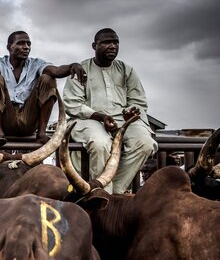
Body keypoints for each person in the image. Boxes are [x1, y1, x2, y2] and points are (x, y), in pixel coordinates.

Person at [63, 28, 157, 194]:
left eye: (115, 42)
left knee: (145, 144)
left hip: (121, 119)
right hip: (87, 120)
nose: (112, 46)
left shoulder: (127, 70)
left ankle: (111, 191)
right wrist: (102, 116)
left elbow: (139, 101)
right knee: (101, 144)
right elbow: (73, 104)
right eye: (107, 42)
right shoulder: (81, 69)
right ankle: (101, 194)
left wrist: (130, 112)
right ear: (94, 45)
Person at [0, 30, 87, 148]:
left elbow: (56, 70)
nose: (26, 47)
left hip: (28, 120)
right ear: (9, 47)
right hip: (4, 120)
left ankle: (42, 133)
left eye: (28, 44)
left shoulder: (36, 64)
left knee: (48, 78)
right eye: (21, 43)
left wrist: (71, 66)